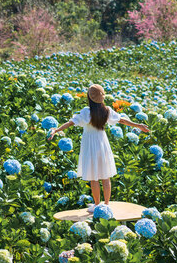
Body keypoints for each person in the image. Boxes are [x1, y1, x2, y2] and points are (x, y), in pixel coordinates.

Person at [48, 84, 150, 213]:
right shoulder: (106, 110)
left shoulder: (86, 111)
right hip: (102, 143)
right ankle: (106, 204)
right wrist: (138, 125)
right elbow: (122, 120)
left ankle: (97, 205)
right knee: (105, 175)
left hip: (90, 145)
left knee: (93, 177)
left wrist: (56, 130)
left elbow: (71, 123)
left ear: (89, 98)